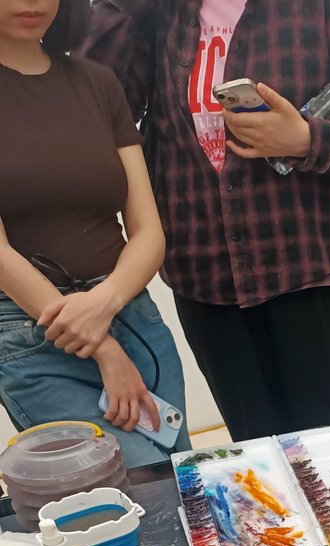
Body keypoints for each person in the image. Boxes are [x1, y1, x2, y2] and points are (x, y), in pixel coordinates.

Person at [83, 0, 330, 442]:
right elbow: (99, 106)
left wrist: (307, 138)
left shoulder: (322, 8)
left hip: (308, 273)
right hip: (206, 282)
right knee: (259, 470)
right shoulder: (159, 14)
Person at [0, 0, 190, 468]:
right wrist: (102, 347)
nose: (33, 3)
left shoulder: (98, 83)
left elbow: (147, 232)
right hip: (35, 333)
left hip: (132, 317)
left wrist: (103, 306)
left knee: (187, 494)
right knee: (140, 490)